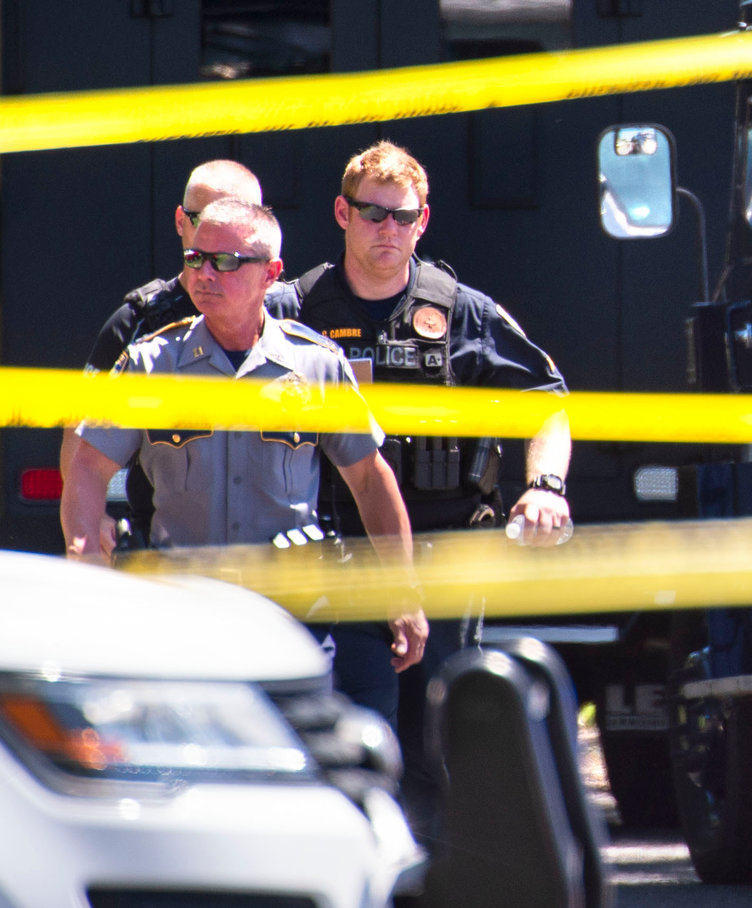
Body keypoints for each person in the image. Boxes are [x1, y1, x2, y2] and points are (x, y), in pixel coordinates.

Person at [268, 141, 571, 802]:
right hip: (335, 557)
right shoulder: (291, 311)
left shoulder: (463, 312)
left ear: (423, 221)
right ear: (342, 214)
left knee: (441, 748)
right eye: (373, 213)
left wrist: (545, 487)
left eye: (403, 217)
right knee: (347, 740)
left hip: (443, 558)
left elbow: (547, 403)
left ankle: (434, 860)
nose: (388, 229)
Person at [58, 199, 425, 673]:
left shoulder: (315, 365)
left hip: (290, 621)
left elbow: (370, 480)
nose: (204, 274)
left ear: (271, 274)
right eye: (196, 259)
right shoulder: (151, 364)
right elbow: (88, 468)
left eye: (226, 262)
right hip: (181, 618)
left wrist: (403, 589)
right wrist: (85, 559)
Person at [68, 160, 276, 542]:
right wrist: (95, 525)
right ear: (181, 221)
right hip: (166, 546)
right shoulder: (138, 323)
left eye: (236, 216)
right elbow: (81, 439)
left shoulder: (286, 318)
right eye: (205, 218)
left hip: (274, 552)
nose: (219, 231)